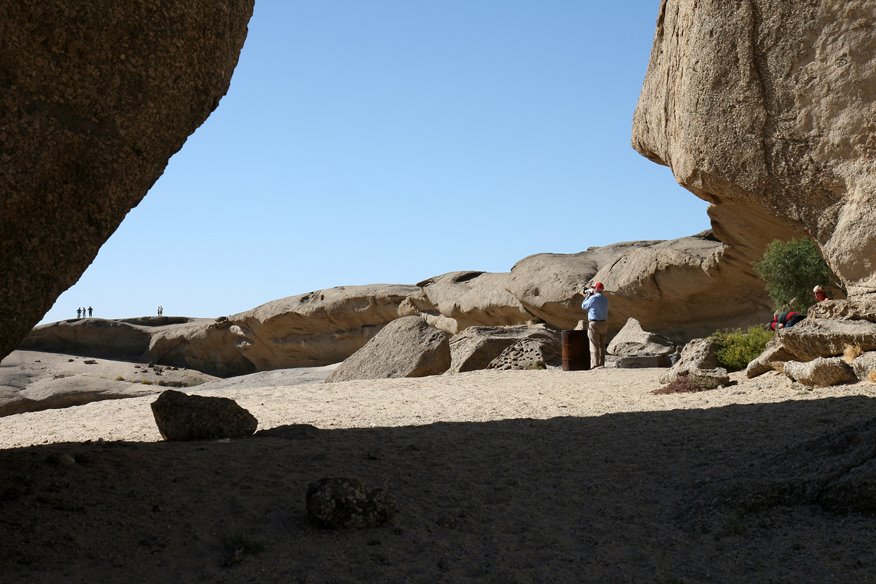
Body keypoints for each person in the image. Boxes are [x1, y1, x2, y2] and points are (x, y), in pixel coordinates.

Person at [581, 282, 609, 368]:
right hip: (604, 322)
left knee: (594, 344)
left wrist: (588, 295)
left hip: (594, 323)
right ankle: (602, 364)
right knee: (602, 345)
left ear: (596, 288)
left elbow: (584, 306)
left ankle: (595, 364)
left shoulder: (593, 298)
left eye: (593, 287)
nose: (592, 289)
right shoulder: (605, 298)